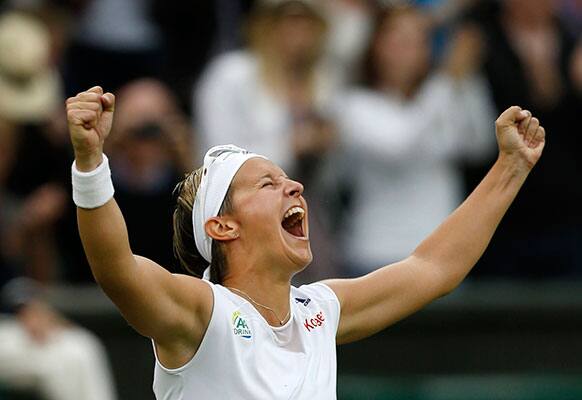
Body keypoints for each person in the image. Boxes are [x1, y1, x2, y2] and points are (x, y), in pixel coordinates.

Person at [66, 85, 545, 399]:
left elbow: (433, 267)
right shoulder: (203, 311)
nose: (294, 187)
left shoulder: (319, 311)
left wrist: (511, 167)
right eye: (267, 184)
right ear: (223, 226)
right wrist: (90, 163)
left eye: (288, 178)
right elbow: (118, 270)